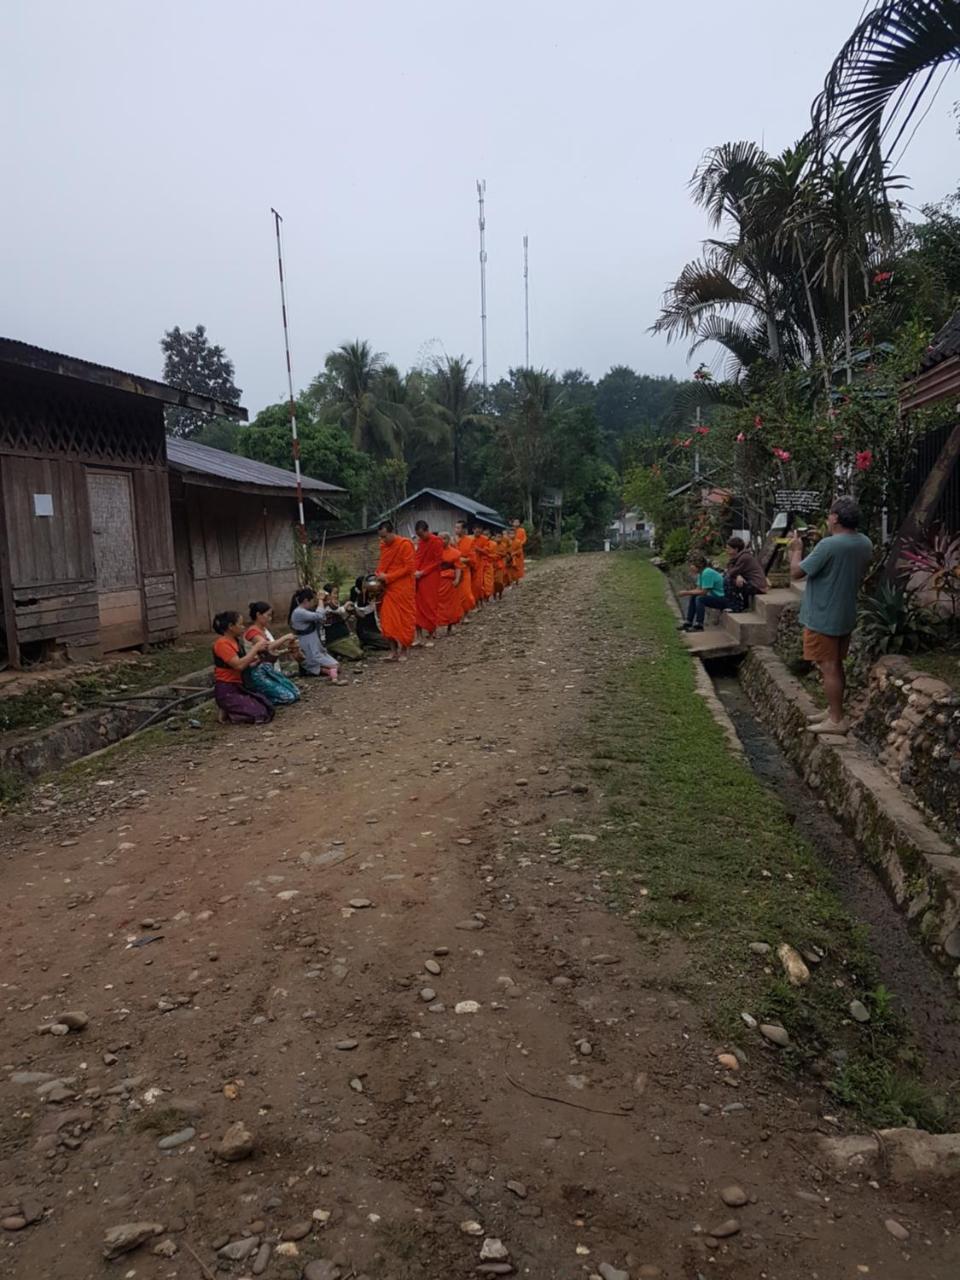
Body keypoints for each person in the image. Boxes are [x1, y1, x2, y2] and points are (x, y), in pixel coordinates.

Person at [789, 495, 873, 735]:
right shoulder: (864, 542)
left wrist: (797, 550)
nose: (827, 518)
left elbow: (796, 572)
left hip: (823, 614)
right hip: (844, 612)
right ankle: (834, 710)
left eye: (829, 514)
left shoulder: (829, 546)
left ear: (835, 518)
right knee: (836, 664)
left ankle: (836, 720)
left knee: (828, 667)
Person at [211, 611, 275, 724]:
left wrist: (256, 661)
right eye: (240, 624)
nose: (243, 627)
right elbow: (239, 665)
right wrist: (255, 648)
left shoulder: (236, 642)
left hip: (240, 685)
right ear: (231, 626)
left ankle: (231, 710)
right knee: (260, 714)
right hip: (227, 687)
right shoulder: (222, 644)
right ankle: (230, 713)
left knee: (268, 707)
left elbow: (244, 664)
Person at [243, 602, 301, 704]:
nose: (270, 618)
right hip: (258, 672)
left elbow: (271, 652)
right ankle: (258, 700)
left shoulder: (263, 630)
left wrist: (288, 650)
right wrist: (285, 637)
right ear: (258, 615)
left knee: (296, 693)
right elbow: (268, 647)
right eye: (268, 615)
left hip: (269, 670)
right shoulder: (252, 632)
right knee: (288, 697)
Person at [375, 520, 416, 660]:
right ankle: (393, 652)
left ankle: (404, 650)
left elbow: (409, 568)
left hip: (403, 587)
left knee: (404, 620)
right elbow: (382, 563)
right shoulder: (384, 546)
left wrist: (388, 576)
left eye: (385, 536)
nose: (383, 540)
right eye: (380, 537)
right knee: (387, 621)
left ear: (392, 532)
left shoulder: (405, 544)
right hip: (389, 589)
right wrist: (379, 575)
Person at [288, 587, 346, 684]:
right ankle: (327, 672)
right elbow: (320, 616)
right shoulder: (299, 612)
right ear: (306, 600)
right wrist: (320, 600)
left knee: (334, 666)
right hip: (308, 647)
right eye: (312, 601)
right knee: (334, 665)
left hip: (312, 645)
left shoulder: (302, 610)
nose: (313, 603)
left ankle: (325, 672)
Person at [677, 553, 731, 630]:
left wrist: (686, 593)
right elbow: (698, 589)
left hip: (724, 599)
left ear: (698, 565)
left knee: (700, 599)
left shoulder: (707, 572)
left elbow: (703, 592)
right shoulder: (701, 573)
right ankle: (688, 622)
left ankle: (699, 624)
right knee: (694, 596)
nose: (689, 567)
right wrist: (687, 592)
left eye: (691, 565)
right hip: (716, 597)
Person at [414, 519, 444, 641]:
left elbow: (438, 561)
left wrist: (423, 572)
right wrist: (415, 571)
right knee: (417, 606)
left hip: (431, 576)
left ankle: (431, 634)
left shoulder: (436, 541)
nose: (420, 537)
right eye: (418, 535)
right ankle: (419, 636)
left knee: (430, 605)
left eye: (421, 534)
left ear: (427, 530)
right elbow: (417, 557)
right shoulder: (421, 542)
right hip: (418, 577)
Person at [321, 584, 365, 662]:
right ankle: (338, 654)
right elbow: (339, 611)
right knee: (358, 654)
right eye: (334, 593)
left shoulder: (335, 605)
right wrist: (346, 606)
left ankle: (339, 653)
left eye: (337, 593)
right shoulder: (326, 606)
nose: (337, 596)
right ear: (327, 595)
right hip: (335, 639)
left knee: (358, 642)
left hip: (344, 635)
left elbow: (342, 617)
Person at [724, 536, 768, 612]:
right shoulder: (740, 556)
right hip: (752, 583)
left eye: (729, 549)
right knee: (731, 578)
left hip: (757, 586)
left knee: (728, 580)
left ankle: (735, 607)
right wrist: (738, 575)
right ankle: (743, 605)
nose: (727, 551)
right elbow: (731, 569)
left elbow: (730, 573)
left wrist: (737, 575)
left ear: (736, 549)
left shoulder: (744, 557)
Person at [349, 576, 391, 651]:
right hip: (366, 631)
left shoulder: (370, 596)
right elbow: (362, 614)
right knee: (389, 643)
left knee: (393, 639)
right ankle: (367, 643)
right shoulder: (361, 598)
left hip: (374, 629)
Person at [437, 532, 464, 633]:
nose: (442, 541)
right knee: (437, 605)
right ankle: (435, 628)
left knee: (451, 605)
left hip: (449, 581)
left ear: (448, 540)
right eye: (440, 539)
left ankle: (450, 626)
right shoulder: (434, 552)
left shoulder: (455, 553)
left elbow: (458, 567)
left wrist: (457, 579)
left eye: (444, 539)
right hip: (437, 582)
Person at [453, 521, 476, 616]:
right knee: (455, 594)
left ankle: (466, 613)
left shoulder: (470, 541)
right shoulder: (451, 540)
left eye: (458, 528)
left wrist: (462, 559)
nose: (456, 530)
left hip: (465, 570)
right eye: (455, 527)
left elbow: (472, 559)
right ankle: (458, 615)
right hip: (453, 571)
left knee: (466, 594)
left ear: (464, 530)